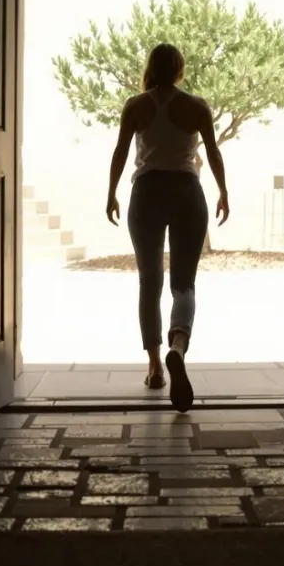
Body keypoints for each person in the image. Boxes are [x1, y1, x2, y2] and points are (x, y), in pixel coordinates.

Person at [105, 43, 230, 412]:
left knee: (150, 281)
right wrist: (223, 191)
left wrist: (111, 193)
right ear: (179, 69)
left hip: (147, 193)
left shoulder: (136, 106)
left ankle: (156, 368)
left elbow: (120, 152)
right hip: (187, 192)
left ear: (150, 67)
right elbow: (213, 152)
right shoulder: (197, 106)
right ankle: (178, 346)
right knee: (183, 284)